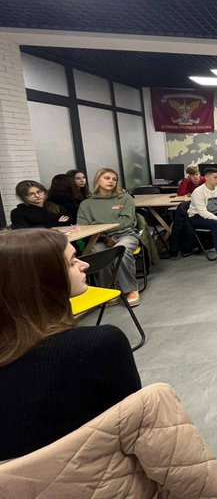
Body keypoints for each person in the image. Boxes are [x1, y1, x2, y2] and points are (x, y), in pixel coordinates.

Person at [0, 228, 142, 460]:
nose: (85, 265)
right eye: (72, 261)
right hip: (102, 471)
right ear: (44, 278)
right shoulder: (98, 345)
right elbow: (137, 427)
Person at [76, 168, 141, 306]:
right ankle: (108, 289)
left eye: (114, 179)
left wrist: (102, 228)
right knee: (98, 253)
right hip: (99, 238)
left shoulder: (125, 198)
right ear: (97, 180)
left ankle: (130, 289)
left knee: (120, 250)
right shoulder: (86, 204)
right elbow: (84, 227)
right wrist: (104, 237)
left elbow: (126, 221)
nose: (111, 181)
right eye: (107, 178)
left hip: (125, 235)